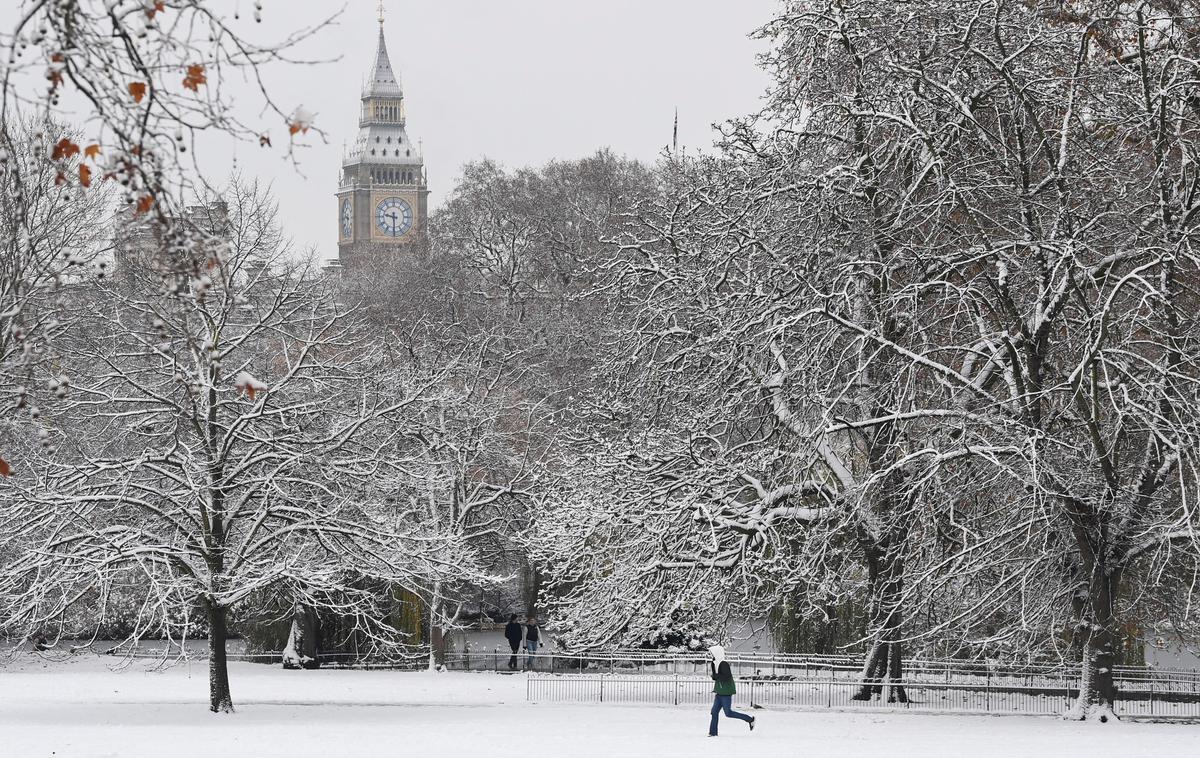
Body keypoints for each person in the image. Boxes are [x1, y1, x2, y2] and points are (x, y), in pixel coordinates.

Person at [708, 645, 754, 737]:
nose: (711, 655)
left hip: (726, 692)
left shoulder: (724, 664)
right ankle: (713, 733)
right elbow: (715, 676)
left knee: (728, 713)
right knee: (714, 712)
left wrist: (716, 676)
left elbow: (726, 676)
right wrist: (714, 675)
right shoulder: (714, 663)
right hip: (719, 691)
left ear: (717, 653)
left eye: (712, 653)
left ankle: (750, 719)